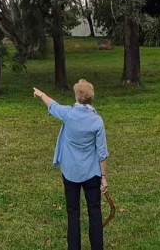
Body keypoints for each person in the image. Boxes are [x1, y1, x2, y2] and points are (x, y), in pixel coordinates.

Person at [33, 79, 109, 250]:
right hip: (92, 173)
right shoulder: (97, 121)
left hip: (70, 172)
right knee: (95, 212)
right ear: (92, 98)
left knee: (73, 212)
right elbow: (102, 152)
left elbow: (53, 105)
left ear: (76, 96)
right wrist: (104, 177)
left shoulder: (68, 114)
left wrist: (40, 94)